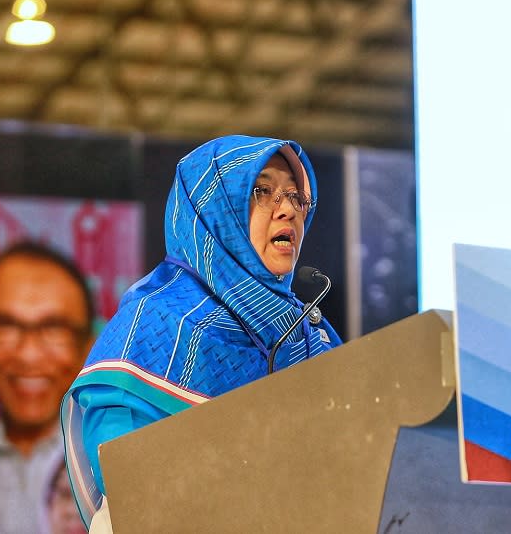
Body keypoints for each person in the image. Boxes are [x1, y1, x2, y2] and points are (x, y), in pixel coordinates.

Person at [61, 135, 343, 529]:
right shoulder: (155, 322)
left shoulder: (311, 336)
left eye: (297, 198)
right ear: (213, 210)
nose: (288, 212)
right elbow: (128, 476)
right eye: (262, 191)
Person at [0, 242, 94, 534]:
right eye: (5, 327)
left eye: (54, 329)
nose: (29, 355)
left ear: (87, 345)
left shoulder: (114, 471)